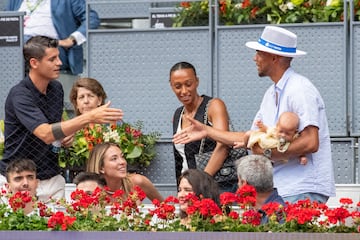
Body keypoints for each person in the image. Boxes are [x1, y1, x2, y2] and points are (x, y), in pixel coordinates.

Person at [173, 26, 335, 204]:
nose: (254, 58)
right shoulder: (270, 93)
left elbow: (311, 142)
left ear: (274, 57)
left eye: (259, 53)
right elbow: (249, 137)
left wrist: (266, 151)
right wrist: (207, 131)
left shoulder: (300, 88)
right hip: (283, 189)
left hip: (302, 189)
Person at [0, 36, 124, 202]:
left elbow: (55, 128)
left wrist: (65, 135)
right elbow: (45, 133)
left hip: (51, 178)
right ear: (34, 63)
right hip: (19, 179)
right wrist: (90, 117)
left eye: (58, 57)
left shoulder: (56, 88)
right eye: (52, 59)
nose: (59, 63)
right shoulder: (20, 95)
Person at [69, 77, 163, 201]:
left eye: (90, 96)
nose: (86, 101)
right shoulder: (70, 130)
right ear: (76, 103)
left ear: (100, 100)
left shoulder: (114, 125)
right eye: (81, 97)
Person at [6, 0, 100, 105]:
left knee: (17, 52)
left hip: (53, 47)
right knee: (12, 50)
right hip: (18, 47)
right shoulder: (15, 1)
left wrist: (72, 39)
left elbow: (92, 18)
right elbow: (5, 20)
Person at [170, 61, 236, 193]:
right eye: (178, 86)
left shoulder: (213, 106)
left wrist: (202, 182)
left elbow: (223, 145)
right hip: (190, 189)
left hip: (216, 186)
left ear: (197, 82)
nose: (184, 91)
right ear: (171, 87)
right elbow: (180, 158)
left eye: (188, 84)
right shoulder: (178, 114)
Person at [86, 142, 164, 203]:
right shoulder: (90, 190)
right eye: (114, 159)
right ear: (101, 168)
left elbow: (165, 208)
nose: (122, 162)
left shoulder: (137, 182)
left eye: (122, 156)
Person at [235, 155, 285, 224]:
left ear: (244, 183)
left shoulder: (279, 215)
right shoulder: (281, 209)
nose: (238, 184)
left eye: (239, 180)